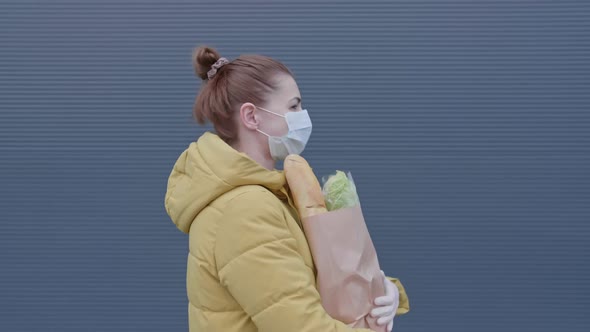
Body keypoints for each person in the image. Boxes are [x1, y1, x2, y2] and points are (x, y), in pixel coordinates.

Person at [164, 45, 409, 332]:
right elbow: (299, 324)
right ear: (252, 117)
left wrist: (384, 292)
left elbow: (306, 282)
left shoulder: (271, 195)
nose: (303, 115)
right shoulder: (244, 208)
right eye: (293, 106)